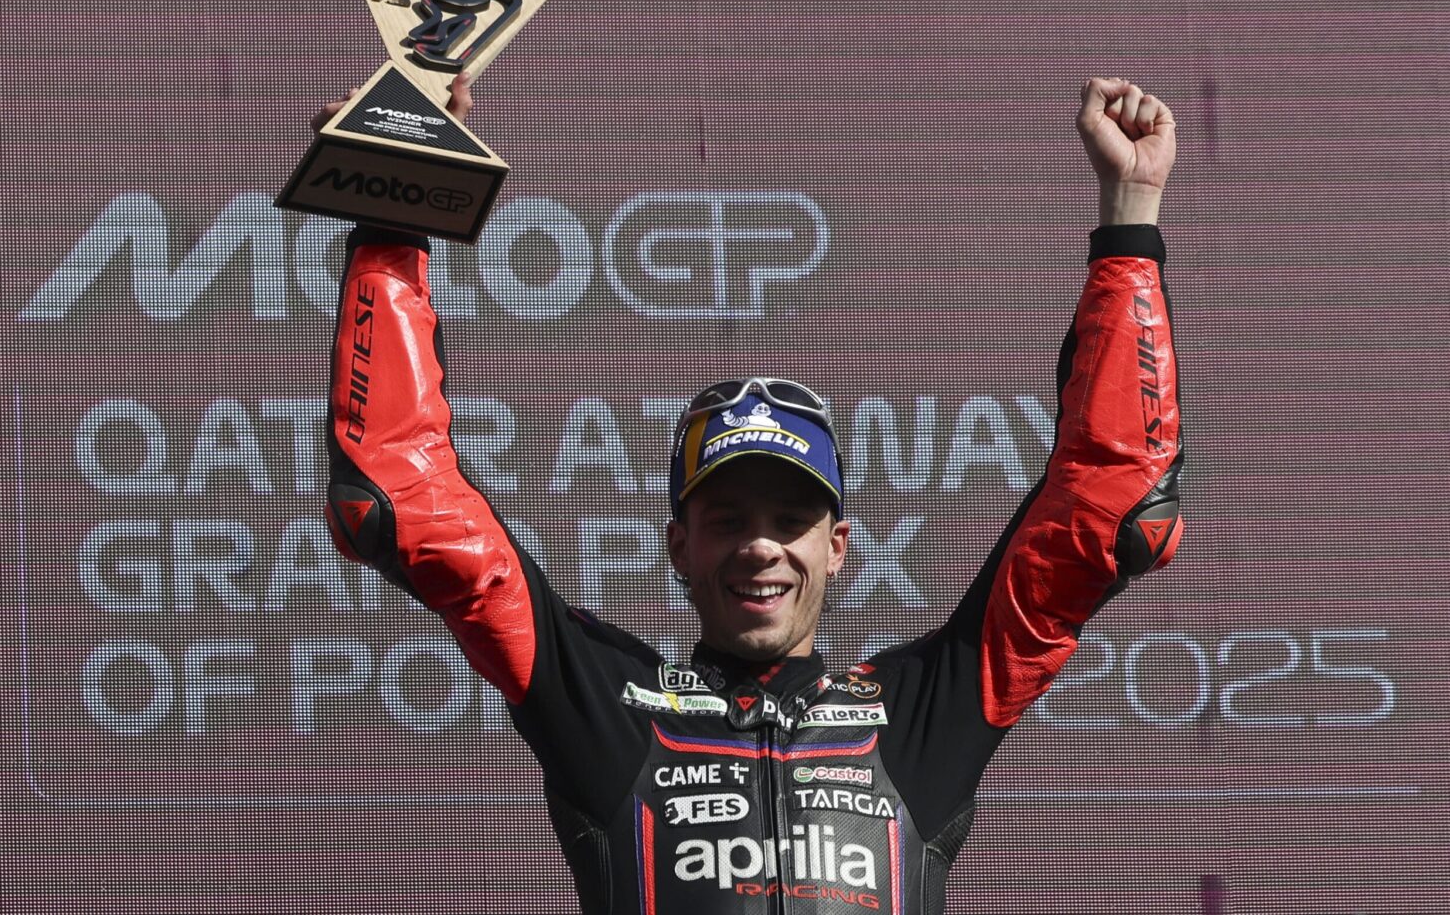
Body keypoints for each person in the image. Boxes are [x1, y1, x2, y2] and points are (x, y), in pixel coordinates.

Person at [320, 75, 1183, 913]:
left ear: (837, 547)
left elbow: (1111, 514)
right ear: (678, 547)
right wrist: (401, 197)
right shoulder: (608, 704)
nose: (760, 544)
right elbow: (401, 499)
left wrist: (1131, 217)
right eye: (727, 518)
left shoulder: (925, 712)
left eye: (790, 518)